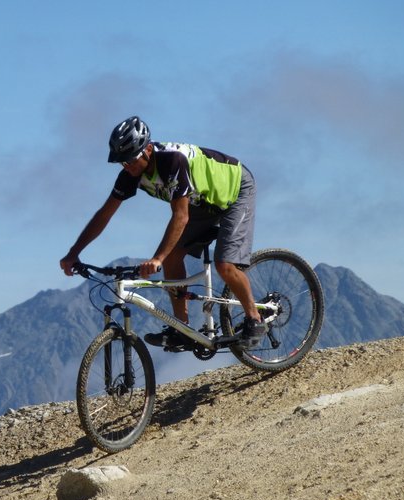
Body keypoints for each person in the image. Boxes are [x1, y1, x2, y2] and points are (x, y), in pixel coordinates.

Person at [59, 116, 266, 350]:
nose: (127, 167)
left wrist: (157, 258)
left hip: (235, 191)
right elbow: (104, 214)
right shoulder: (130, 174)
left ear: (147, 149)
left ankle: (254, 319)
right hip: (202, 202)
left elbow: (181, 216)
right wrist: (74, 252)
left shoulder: (172, 161)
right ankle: (183, 329)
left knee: (225, 265)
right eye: (122, 162)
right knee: (174, 258)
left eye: (131, 160)